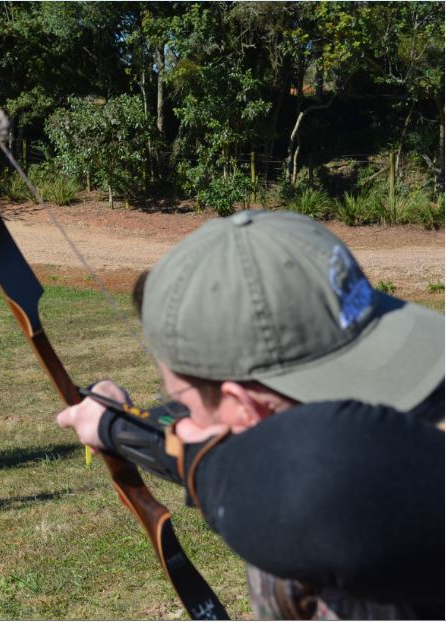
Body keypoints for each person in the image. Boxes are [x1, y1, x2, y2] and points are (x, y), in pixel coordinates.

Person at [57, 210, 444, 619]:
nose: (185, 418)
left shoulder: (331, 500)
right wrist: (113, 423)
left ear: (245, 408)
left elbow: (292, 477)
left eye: (182, 399)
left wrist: (198, 460)